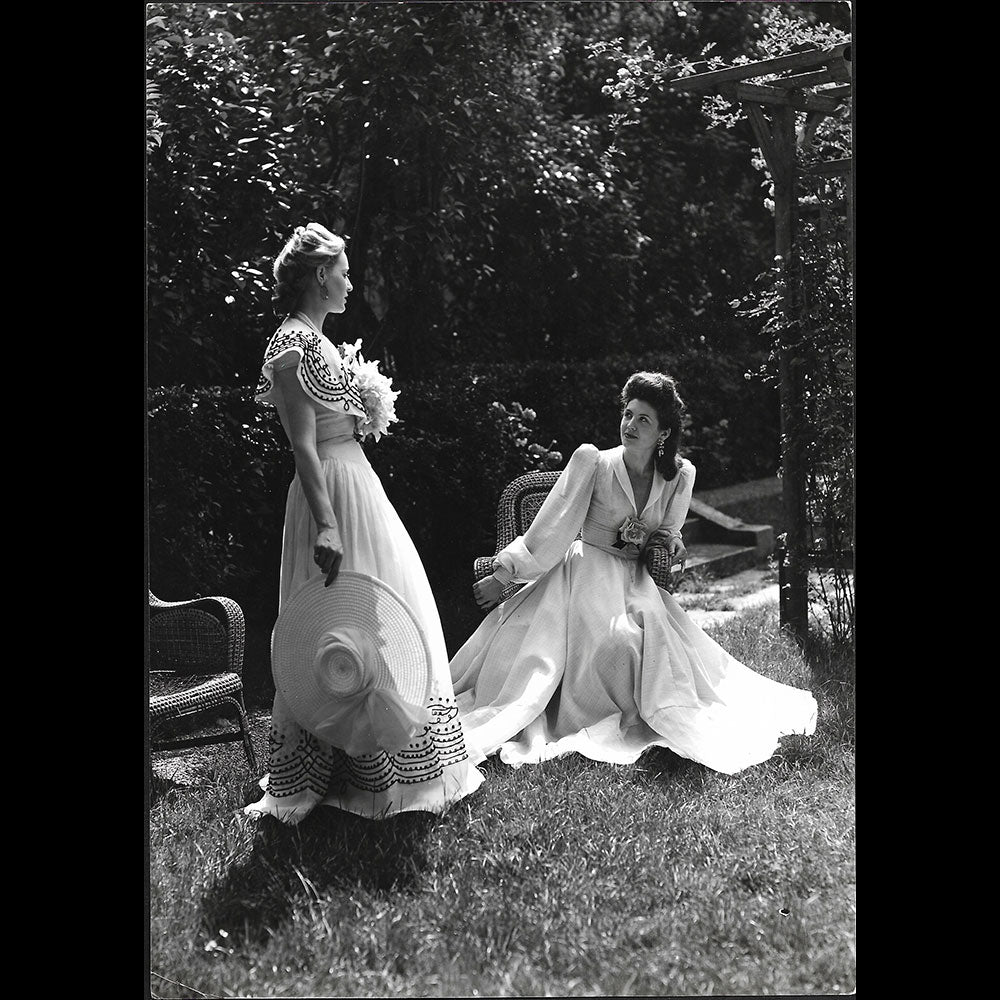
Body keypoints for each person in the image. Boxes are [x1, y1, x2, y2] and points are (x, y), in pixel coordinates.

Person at [449, 371, 817, 773]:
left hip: (634, 578)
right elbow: (553, 526)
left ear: (663, 432)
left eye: (644, 419)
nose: (631, 425)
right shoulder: (594, 462)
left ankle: (656, 713)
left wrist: (670, 543)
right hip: (585, 571)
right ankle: (594, 712)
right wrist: (505, 573)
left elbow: (668, 530)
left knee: (651, 634)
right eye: (628, 414)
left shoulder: (679, 475)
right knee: (617, 642)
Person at [244, 223, 483, 823]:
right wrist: (326, 525)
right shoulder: (291, 347)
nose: (351, 283)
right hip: (330, 494)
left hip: (357, 485)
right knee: (339, 620)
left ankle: (388, 762)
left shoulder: (318, 341)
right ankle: (341, 767)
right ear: (320, 275)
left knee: (377, 611)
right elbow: (303, 447)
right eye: (345, 273)